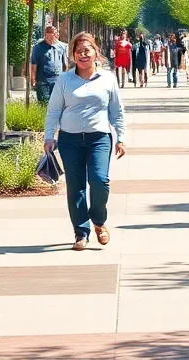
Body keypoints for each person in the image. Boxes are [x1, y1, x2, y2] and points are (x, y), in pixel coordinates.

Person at [43, 31, 127, 251]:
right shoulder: (65, 79)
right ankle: (81, 233)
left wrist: (121, 137)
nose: (82, 54)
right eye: (78, 51)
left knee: (100, 181)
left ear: (95, 53)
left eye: (87, 50)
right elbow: (53, 111)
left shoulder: (108, 78)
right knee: (76, 188)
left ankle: (98, 220)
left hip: (99, 138)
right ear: (73, 55)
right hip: (70, 140)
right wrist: (49, 136)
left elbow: (116, 111)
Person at [29, 24, 68, 104]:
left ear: (57, 35)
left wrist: (64, 79)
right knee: (44, 104)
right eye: (48, 35)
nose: (51, 38)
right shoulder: (38, 48)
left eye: (53, 35)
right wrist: (33, 79)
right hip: (43, 81)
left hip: (57, 81)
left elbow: (65, 64)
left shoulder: (62, 47)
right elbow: (34, 64)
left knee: (57, 104)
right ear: (45, 35)